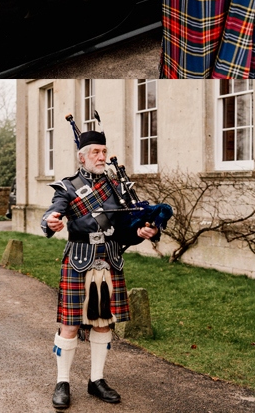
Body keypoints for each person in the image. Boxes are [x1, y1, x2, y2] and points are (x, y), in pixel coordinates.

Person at [42, 127, 159, 410]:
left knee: (103, 322)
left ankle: (96, 380)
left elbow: (126, 229)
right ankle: (62, 382)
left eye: (104, 151)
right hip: (79, 259)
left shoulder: (117, 187)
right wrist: (51, 221)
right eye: (95, 152)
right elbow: (54, 210)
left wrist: (142, 232)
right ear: (82, 157)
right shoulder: (68, 187)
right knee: (70, 324)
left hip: (110, 258)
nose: (102, 156)